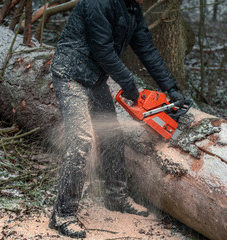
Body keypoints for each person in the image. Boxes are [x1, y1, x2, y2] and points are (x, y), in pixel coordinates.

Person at [49, 0, 184, 238]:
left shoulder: (132, 9)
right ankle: (63, 214)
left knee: (112, 135)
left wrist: (171, 89)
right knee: (81, 139)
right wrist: (129, 85)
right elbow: (102, 49)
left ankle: (116, 197)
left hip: (96, 78)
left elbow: (147, 49)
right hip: (70, 73)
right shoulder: (98, 3)